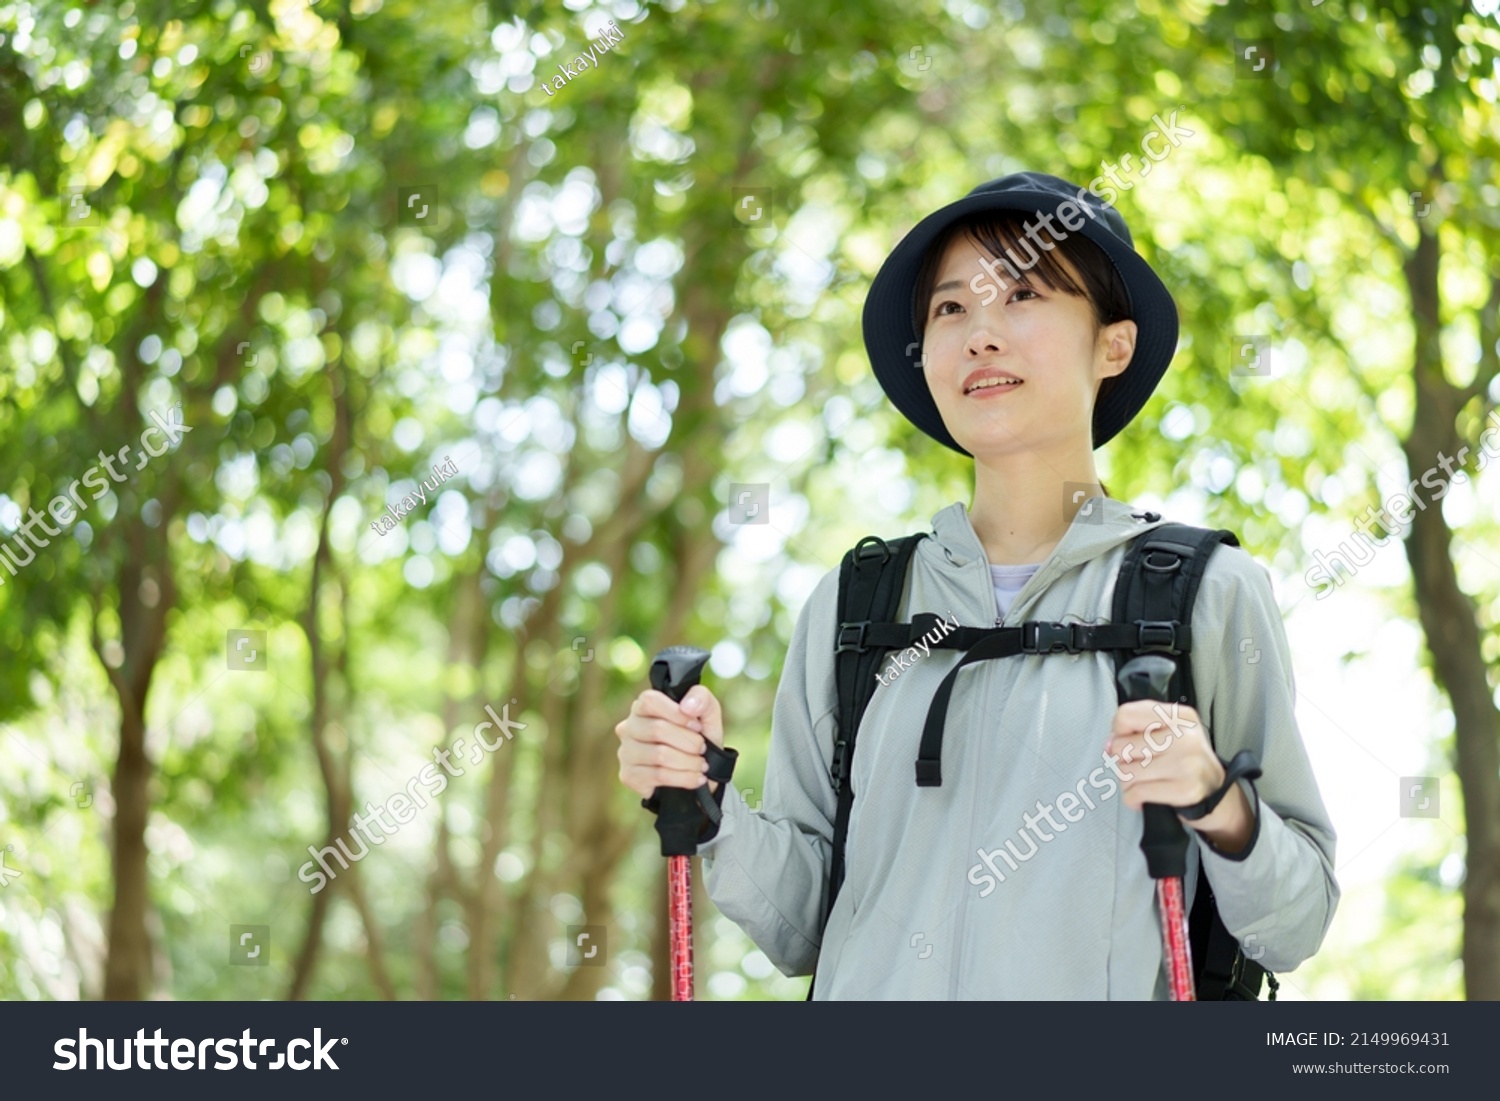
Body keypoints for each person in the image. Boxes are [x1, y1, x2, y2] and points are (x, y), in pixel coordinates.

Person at [616, 172, 1339, 999]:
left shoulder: (1205, 593)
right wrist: (705, 800)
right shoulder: (859, 603)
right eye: (951, 308)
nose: (980, 334)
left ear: (1114, 344)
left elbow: (1295, 922)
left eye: (1023, 294)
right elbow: (803, 923)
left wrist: (1217, 799)